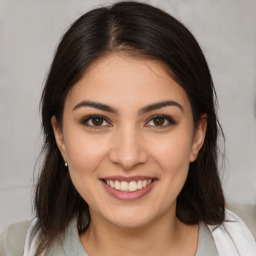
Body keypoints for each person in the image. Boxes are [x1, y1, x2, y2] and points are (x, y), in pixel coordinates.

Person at [0, 1, 255, 256]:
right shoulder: (11, 248)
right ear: (60, 136)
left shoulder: (249, 238)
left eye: (158, 120)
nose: (128, 157)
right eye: (97, 121)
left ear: (197, 136)